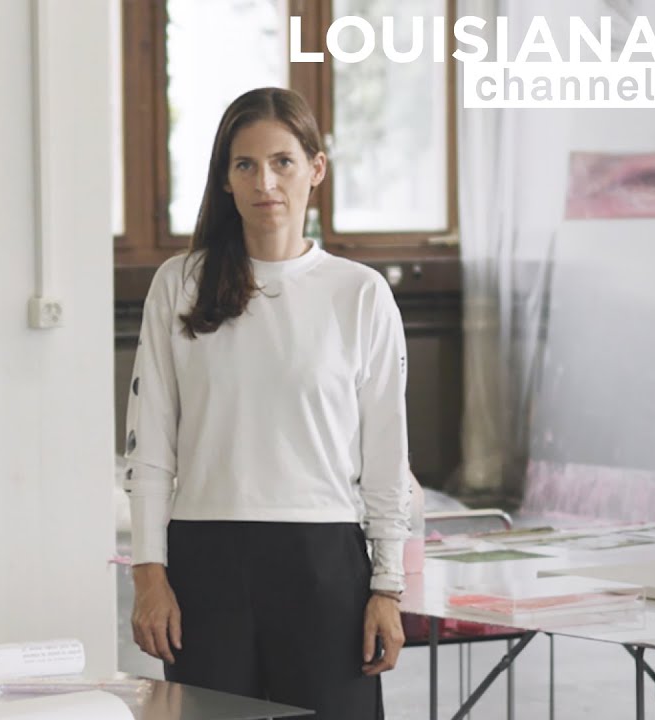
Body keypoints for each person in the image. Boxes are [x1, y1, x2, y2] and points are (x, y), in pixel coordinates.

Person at [124, 87, 411, 719]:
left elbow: (388, 457)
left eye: (283, 162)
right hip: (205, 564)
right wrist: (148, 573)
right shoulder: (179, 285)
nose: (265, 182)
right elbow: (149, 448)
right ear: (225, 179)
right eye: (245, 165)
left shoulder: (360, 295)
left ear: (316, 168)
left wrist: (388, 587)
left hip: (325, 564)